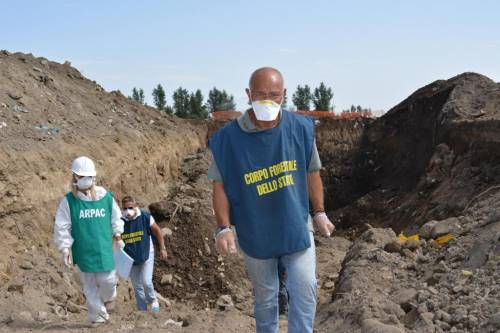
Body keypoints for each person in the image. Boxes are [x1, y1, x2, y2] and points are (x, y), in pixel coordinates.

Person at [208, 67, 335, 333]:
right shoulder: (227, 140)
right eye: (260, 94)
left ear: (284, 95)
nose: (267, 100)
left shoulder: (300, 129)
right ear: (248, 94)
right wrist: (223, 228)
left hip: (295, 224)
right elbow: (219, 187)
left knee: (305, 287)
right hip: (255, 230)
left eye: (274, 95)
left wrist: (320, 212)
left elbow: (312, 173)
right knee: (266, 298)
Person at [53, 156, 124, 324]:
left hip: (103, 249)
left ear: (94, 177)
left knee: (107, 280)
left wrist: (119, 235)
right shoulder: (69, 201)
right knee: (90, 286)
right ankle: (97, 318)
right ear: (75, 177)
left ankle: (110, 296)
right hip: (83, 251)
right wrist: (64, 248)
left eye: (88, 176)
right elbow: (62, 226)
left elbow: (116, 217)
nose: (85, 180)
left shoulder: (105, 197)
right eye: (81, 176)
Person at [120, 195, 168, 313]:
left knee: (146, 281)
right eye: (125, 208)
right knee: (137, 286)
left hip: (146, 253)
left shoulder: (145, 216)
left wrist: (162, 248)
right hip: (131, 258)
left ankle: (153, 301)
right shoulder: (119, 221)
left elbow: (157, 231)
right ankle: (142, 310)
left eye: (130, 207)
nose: (128, 211)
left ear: (135, 206)